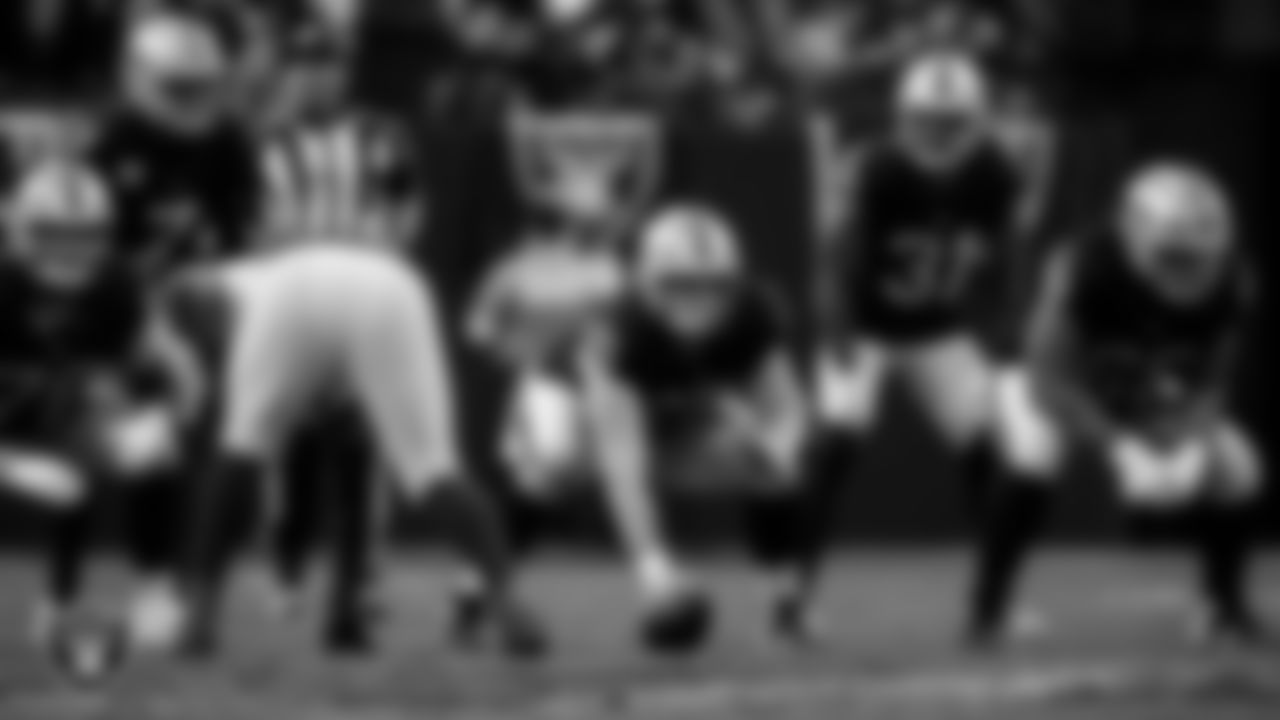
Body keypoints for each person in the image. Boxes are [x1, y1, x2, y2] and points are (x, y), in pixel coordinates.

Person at [172, 240, 545, 659]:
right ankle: (505, 602)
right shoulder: (248, 280)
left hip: (295, 302)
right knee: (430, 470)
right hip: (393, 289)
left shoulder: (234, 291)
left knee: (240, 452)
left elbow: (192, 293)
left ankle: (199, 617)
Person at [980, 162, 1268, 646]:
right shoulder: (1086, 268)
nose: (1188, 270)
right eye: (1173, 256)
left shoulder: (1234, 281)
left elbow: (1213, 382)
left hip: (1139, 386)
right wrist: (1119, 446)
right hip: (1053, 380)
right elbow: (1047, 379)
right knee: (1034, 454)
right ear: (1132, 237)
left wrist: (1189, 439)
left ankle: (1224, 608)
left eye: (1199, 257)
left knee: (1239, 467)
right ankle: (989, 610)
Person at [805, 51, 1032, 628]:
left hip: (938, 327)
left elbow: (1007, 255)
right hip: (867, 325)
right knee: (835, 446)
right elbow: (834, 262)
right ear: (903, 117)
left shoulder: (994, 171)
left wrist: (1005, 323)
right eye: (927, 119)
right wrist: (838, 332)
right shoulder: (876, 168)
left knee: (989, 453)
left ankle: (994, 603)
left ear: (976, 120)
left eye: (952, 121)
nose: (937, 132)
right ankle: (795, 595)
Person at [253, 25, 424, 654]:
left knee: (360, 451)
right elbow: (246, 222)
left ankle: (351, 592)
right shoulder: (264, 142)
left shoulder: (382, 136)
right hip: (289, 307)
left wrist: (384, 258)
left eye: (326, 64)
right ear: (289, 72)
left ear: (345, 72)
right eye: (304, 64)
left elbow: (409, 207)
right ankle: (289, 559)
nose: (316, 76)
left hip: (360, 305)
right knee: (293, 453)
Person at [578, 203, 812, 653]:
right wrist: (655, 571)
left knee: (774, 468)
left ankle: (783, 604)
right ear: (646, 279)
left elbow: (788, 411)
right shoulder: (620, 330)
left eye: (712, 286)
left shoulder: (751, 315)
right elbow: (623, 463)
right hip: (586, 430)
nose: (697, 301)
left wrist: (773, 448)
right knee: (547, 463)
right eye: (681, 285)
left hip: (679, 428)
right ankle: (479, 588)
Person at [0, 159, 199, 660]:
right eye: (54, 234)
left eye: (81, 235)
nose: (69, 249)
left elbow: (164, 358)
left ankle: (151, 590)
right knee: (70, 464)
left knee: (148, 446)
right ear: (22, 228)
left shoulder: (117, 284)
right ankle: (60, 600)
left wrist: (180, 394)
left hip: (67, 417)